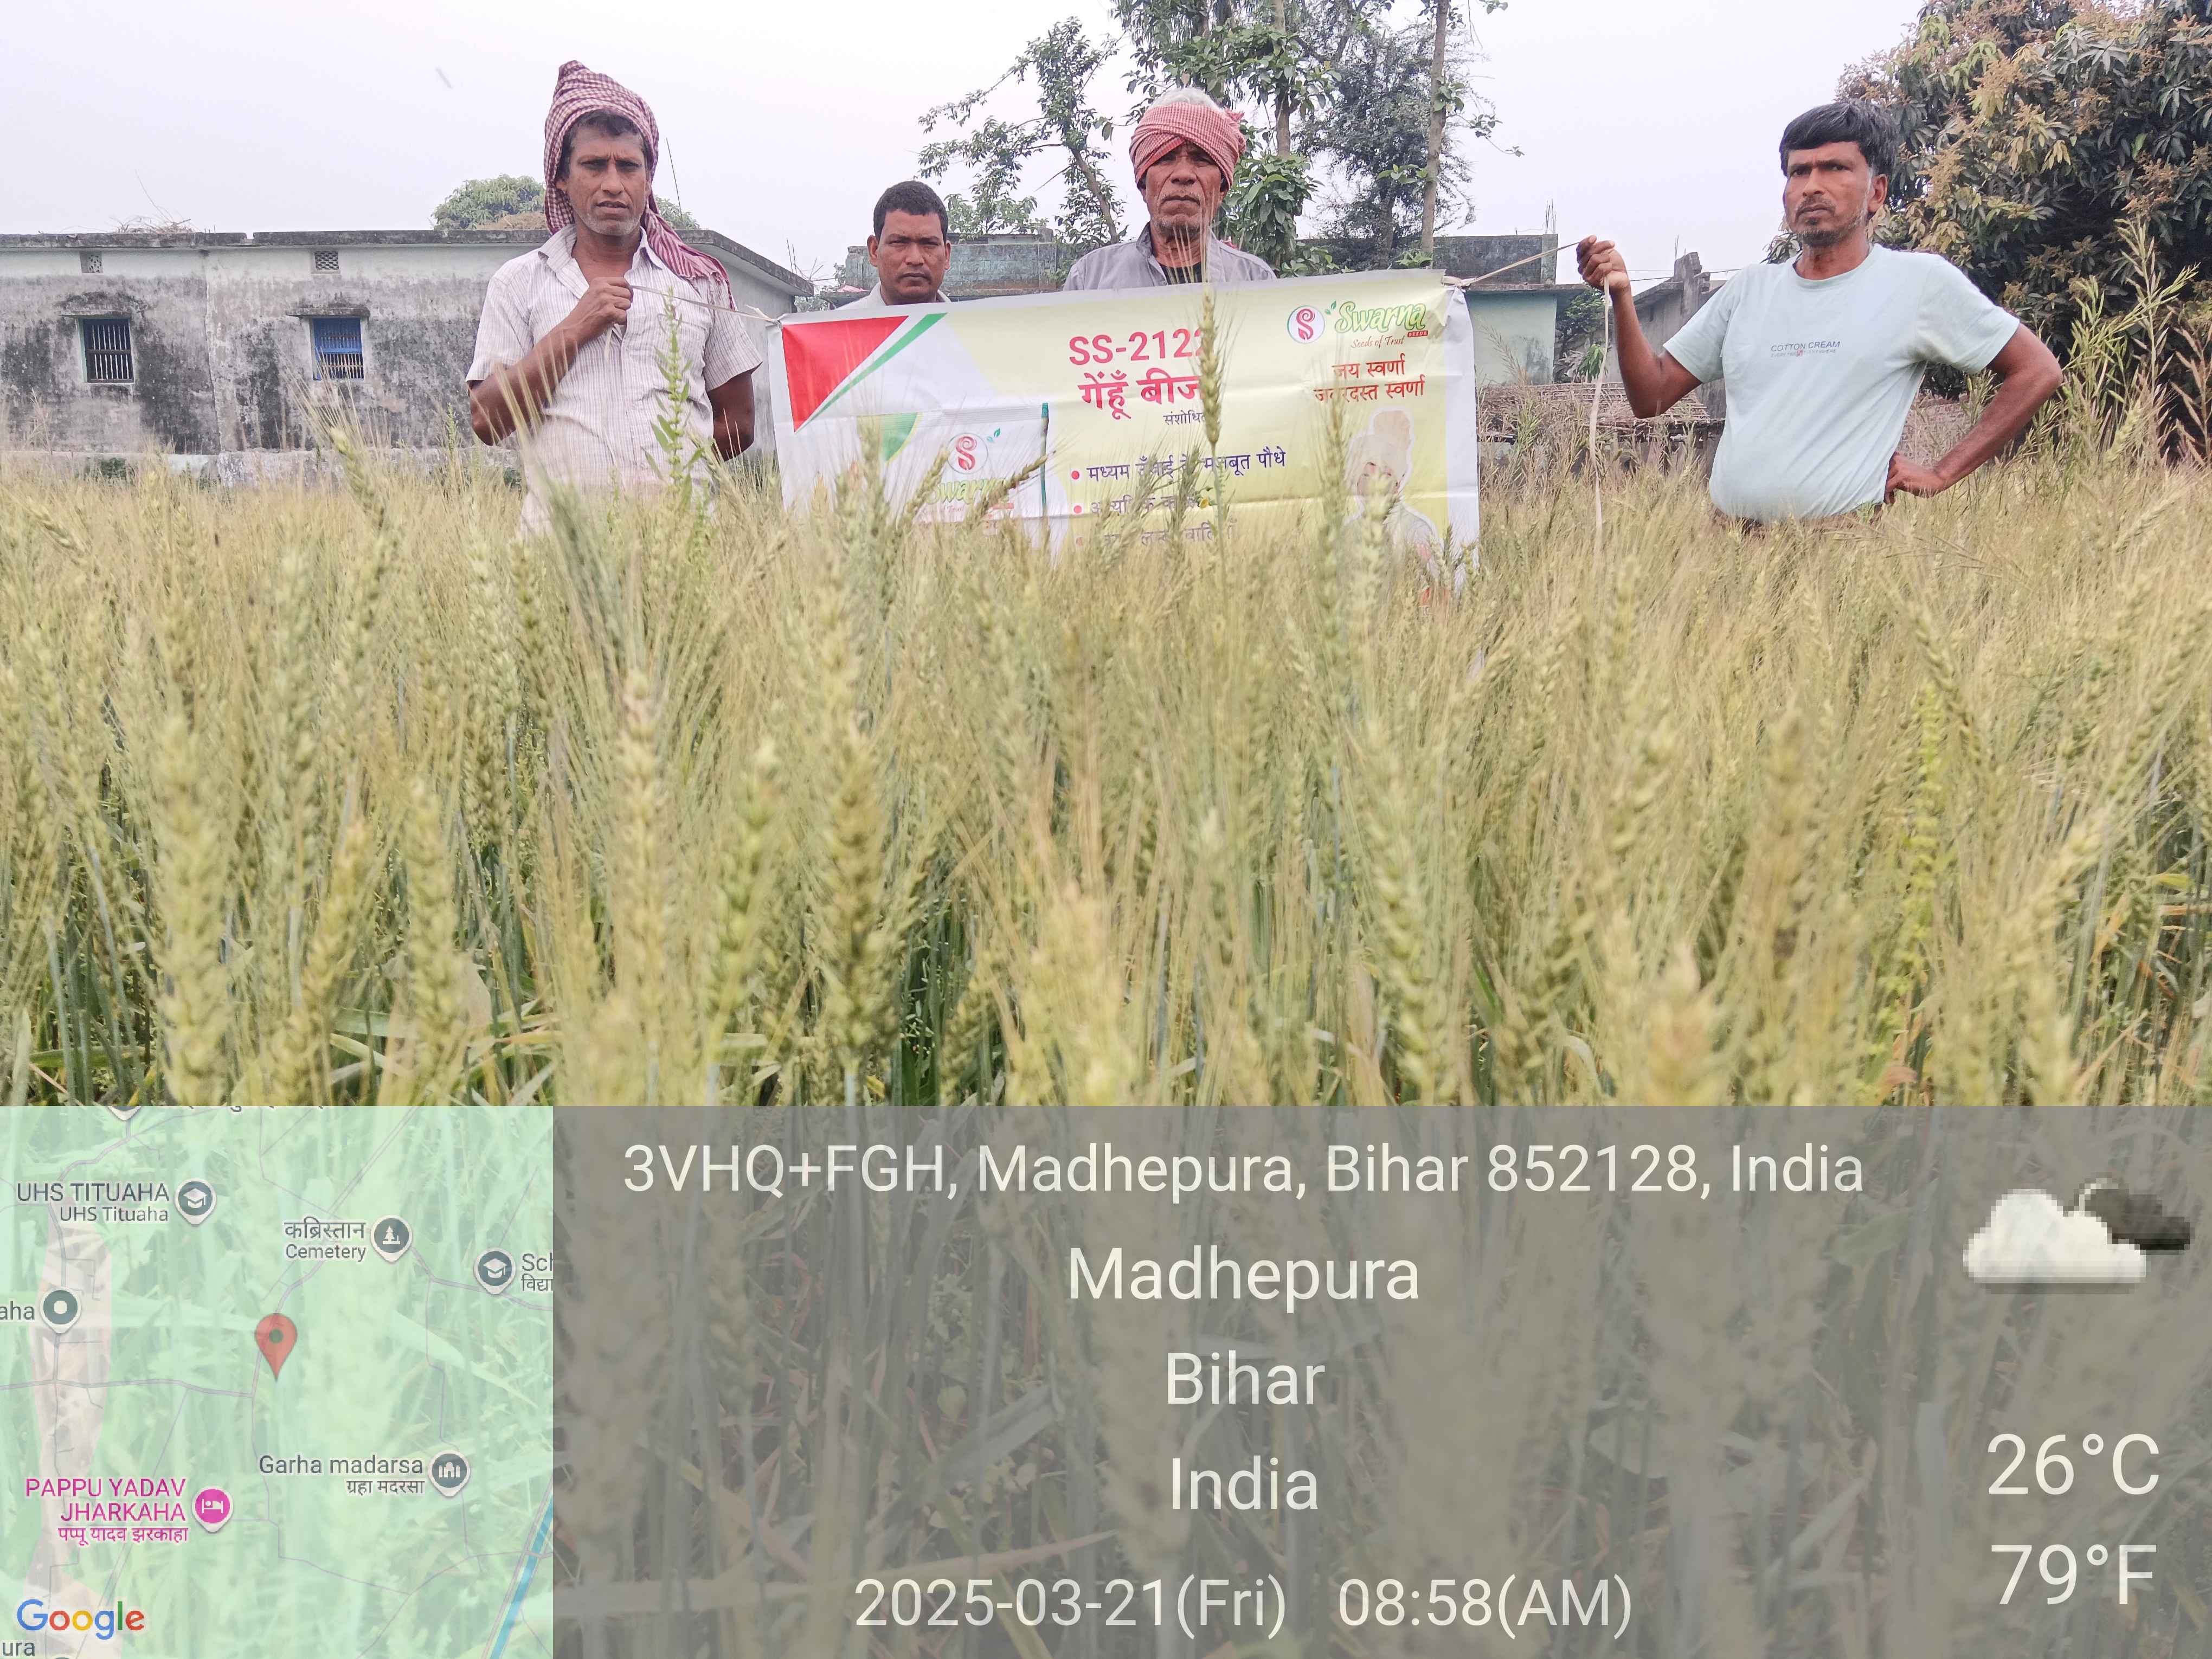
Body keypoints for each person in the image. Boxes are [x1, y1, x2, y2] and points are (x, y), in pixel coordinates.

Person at [1577, 100, 2062, 524]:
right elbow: (1652, 397)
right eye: (1799, 172)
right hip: (1727, 543)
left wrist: (1943, 473)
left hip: (1841, 548)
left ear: (1876, 192)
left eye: (1834, 168)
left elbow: (2037, 370)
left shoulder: (1919, 284)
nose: (1812, 186)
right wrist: (1622, 295)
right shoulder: (1750, 290)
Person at [467, 60, 762, 533]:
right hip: (561, 550)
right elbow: (487, 421)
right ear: (561, 178)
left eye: (628, 166)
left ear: (648, 178)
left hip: (679, 547)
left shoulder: (698, 282)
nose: (612, 184)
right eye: (593, 165)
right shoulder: (519, 282)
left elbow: (740, 424)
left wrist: (671, 479)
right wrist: (575, 328)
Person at [1063, 87, 1275, 290]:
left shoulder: (1256, 280)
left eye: (1201, 159)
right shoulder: (1089, 280)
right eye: (1165, 158)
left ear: (1222, 190)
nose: (1183, 174)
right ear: (1143, 185)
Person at [1347, 407, 1444, 576]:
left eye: (1386, 475)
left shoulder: (1415, 530)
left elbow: (1435, 584)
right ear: (1357, 485)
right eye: (1367, 476)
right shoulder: (1347, 533)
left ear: (1397, 485)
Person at [846, 181, 955, 310]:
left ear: (947, 255)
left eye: (929, 244)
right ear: (874, 251)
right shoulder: (840, 322)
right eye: (899, 242)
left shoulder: (970, 322)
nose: (915, 259)